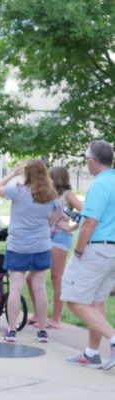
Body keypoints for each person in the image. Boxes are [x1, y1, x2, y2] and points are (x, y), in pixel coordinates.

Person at [0, 159, 58, 344]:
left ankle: (11, 331)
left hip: (18, 246)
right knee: (40, 288)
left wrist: (13, 174)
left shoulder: (18, 190)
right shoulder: (51, 195)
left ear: (26, 173)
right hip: (41, 246)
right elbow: (53, 221)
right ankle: (42, 331)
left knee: (15, 288)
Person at [63, 140, 115, 370]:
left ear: (93, 161)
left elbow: (90, 223)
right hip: (112, 251)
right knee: (96, 301)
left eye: (87, 159)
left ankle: (113, 340)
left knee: (73, 300)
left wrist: (79, 249)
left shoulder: (99, 185)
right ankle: (91, 353)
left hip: (96, 248)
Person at [39, 166, 83, 329]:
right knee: (35, 277)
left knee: (56, 278)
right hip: (46, 236)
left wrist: (70, 227)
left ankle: (56, 319)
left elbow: (84, 213)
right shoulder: (50, 194)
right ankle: (39, 315)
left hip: (60, 237)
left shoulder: (67, 195)